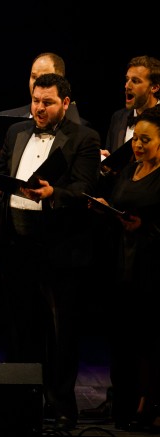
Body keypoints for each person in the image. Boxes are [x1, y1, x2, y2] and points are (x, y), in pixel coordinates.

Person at [0, 73, 100, 431]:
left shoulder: (85, 138)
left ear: (65, 103)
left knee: (60, 331)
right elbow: (5, 172)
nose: (39, 107)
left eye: (47, 102)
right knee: (20, 327)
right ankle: (22, 400)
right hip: (17, 245)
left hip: (57, 248)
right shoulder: (16, 133)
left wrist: (55, 195)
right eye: (36, 100)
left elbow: (85, 189)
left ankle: (63, 404)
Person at [87, 106, 160, 432]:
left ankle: (149, 404)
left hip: (152, 269)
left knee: (148, 340)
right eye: (136, 139)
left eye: (146, 139)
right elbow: (119, 204)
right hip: (122, 265)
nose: (139, 145)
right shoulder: (129, 170)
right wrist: (105, 208)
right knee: (122, 339)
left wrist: (145, 225)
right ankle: (126, 402)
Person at [0, 52, 89, 127]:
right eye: (33, 77)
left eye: (44, 78)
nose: (36, 83)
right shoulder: (6, 118)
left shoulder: (80, 128)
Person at [102, 55, 160, 157]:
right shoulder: (118, 117)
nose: (127, 86)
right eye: (127, 80)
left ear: (154, 87)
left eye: (135, 81)